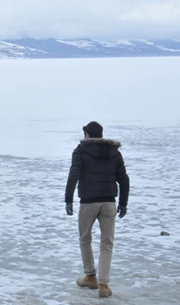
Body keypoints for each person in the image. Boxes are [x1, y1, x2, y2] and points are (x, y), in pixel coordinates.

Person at [65, 121, 130, 298]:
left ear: (87, 135)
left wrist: (68, 199)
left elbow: (74, 173)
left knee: (85, 239)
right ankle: (103, 285)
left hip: (88, 202)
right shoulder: (114, 152)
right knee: (106, 244)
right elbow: (123, 179)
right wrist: (123, 203)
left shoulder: (80, 151)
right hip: (109, 202)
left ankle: (90, 276)